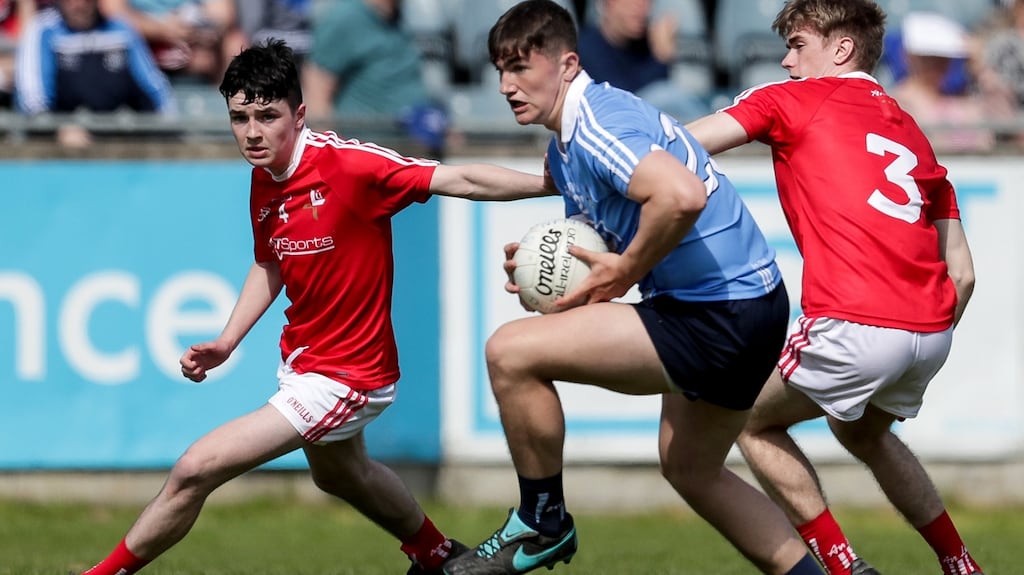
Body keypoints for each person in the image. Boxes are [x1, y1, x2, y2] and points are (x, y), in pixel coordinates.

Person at [78, 38, 561, 575]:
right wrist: (226, 341)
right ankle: (437, 557)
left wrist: (546, 182)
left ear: (299, 113)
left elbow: (458, 178)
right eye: (240, 118)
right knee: (340, 474)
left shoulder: (350, 165)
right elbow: (271, 263)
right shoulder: (265, 177)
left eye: (268, 115)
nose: (253, 132)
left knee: (196, 467)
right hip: (306, 363)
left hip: (350, 376)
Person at [443, 2, 824, 574]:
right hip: (753, 305)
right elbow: (612, 235)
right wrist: (545, 272)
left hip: (718, 312)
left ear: (568, 64)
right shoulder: (568, 147)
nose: (505, 85)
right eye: (500, 70)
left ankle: (543, 521)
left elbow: (680, 196)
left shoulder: (598, 124)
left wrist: (620, 273)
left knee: (510, 353)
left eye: (521, 68)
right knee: (690, 468)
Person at [684, 1, 982, 574]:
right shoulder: (910, 129)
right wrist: (914, 334)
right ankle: (961, 564)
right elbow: (963, 274)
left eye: (797, 45)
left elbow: (679, 142)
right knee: (863, 431)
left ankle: (842, 566)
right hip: (930, 333)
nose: (785, 60)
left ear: (841, 49)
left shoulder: (789, 99)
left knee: (747, 417)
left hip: (854, 321)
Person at [15, 0, 176, 147]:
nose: (78, 5)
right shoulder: (43, 30)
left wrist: (167, 124)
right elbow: (33, 97)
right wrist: (58, 128)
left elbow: (154, 88)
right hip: (61, 144)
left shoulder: (121, 28)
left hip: (120, 140)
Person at [301, 0, 447, 156]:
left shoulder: (398, 16)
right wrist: (337, 161)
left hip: (411, 157)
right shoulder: (345, 18)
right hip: (369, 160)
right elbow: (316, 99)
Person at [99, 0, 242, 84]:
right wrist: (161, 30)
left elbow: (222, 14)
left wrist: (201, 33)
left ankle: (225, 118)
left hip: (193, 41)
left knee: (235, 43)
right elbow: (113, 12)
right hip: (141, 45)